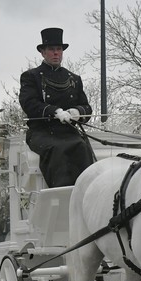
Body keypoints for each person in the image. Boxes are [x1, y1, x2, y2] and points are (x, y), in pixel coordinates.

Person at [19, 27, 94, 187]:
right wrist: (55, 111)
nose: (56, 53)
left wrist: (76, 112)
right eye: (52, 49)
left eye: (58, 49)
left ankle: (86, 190)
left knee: (82, 147)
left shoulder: (74, 78)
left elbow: (86, 107)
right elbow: (29, 103)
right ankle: (60, 193)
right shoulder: (31, 77)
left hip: (68, 132)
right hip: (42, 132)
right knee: (58, 150)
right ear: (43, 52)